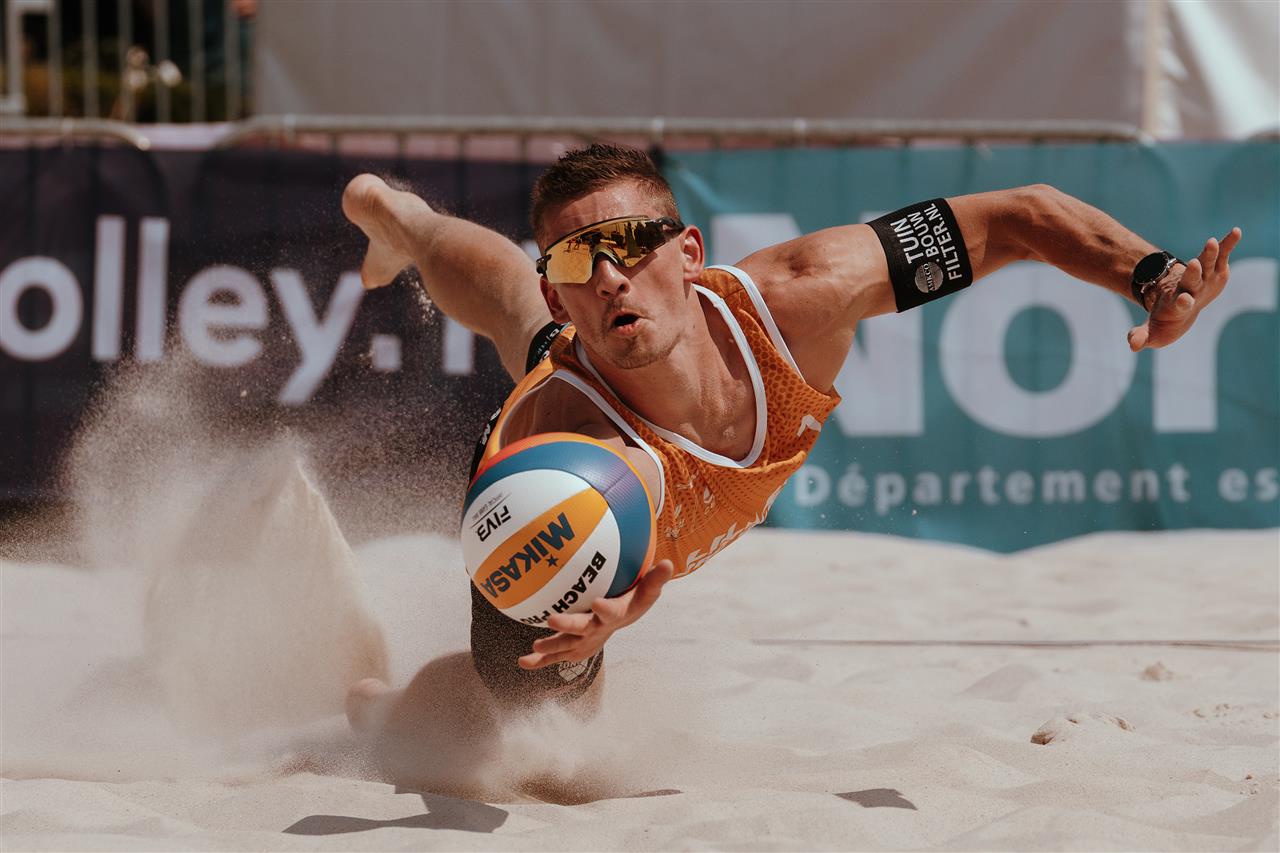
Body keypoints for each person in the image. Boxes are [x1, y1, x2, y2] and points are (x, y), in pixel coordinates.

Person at [340, 144, 1240, 740]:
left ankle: (399, 219)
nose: (609, 275)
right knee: (523, 722)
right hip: (552, 483)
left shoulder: (801, 297)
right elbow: (634, 533)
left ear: (689, 252)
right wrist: (618, 609)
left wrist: (1155, 276)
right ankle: (376, 712)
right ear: (566, 288)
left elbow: (1019, 215)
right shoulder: (566, 444)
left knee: (515, 305)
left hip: (621, 410)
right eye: (578, 259)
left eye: (630, 243)